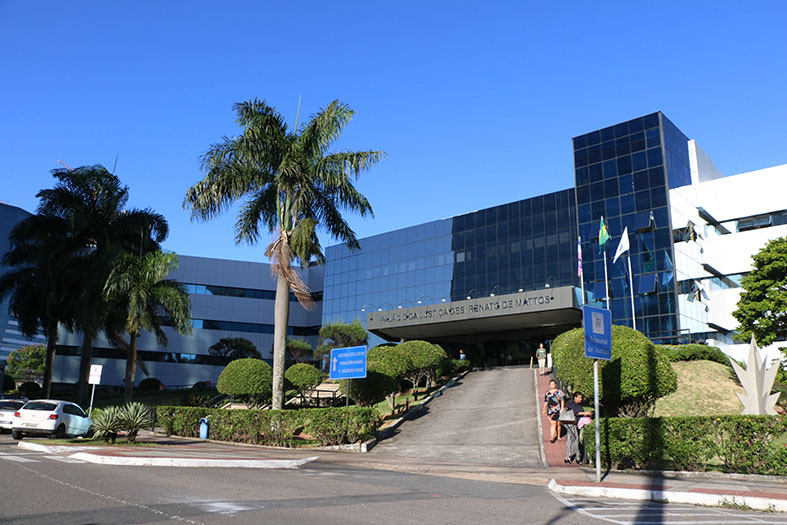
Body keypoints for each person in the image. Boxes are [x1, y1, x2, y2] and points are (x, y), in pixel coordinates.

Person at [563, 391, 593, 464]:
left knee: (574, 439)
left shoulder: (579, 405)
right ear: (575, 397)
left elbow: (580, 413)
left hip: (576, 424)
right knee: (573, 439)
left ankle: (572, 456)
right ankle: (573, 456)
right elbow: (575, 412)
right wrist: (585, 413)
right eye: (579, 398)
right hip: (570, 424)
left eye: (581, 398)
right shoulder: (571, 404)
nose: (580, 399)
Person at [543, 379, 564, 443]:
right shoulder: (547, 393)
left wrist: (562, 408)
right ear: (549, 385)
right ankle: (552, 437)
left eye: (553, 384)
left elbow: (562, 400)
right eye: (551, 384)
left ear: (555, 385)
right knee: (553, 423)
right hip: (550, 410)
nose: (552, 385)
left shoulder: (559, 392)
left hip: (557, 409)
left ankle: (558, 436)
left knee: (558, 424)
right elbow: (546, 402)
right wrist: (544, 409)